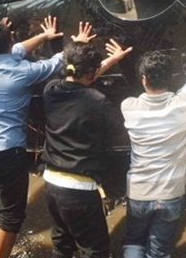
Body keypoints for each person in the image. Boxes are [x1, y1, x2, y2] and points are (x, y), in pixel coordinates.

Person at [121, 0, 186, 258]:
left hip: (139, 191)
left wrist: (116, 59)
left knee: (134, 241)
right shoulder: (183, 106)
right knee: (159, 250)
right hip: (171, 193)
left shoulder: (129, 108)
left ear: (143, 80)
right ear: (171, 77)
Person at [0, 14, 67, 258]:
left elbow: (15, 50)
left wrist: (42, 36)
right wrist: (75, 42)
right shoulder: (23, 72)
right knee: (12, 215)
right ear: (10, 37)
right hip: (8, 150)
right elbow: (57, 63)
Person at [41, 25, 133, 258]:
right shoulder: (98, 101)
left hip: (51, 183)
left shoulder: (51, 90)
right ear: (91, 73)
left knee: (62, 243)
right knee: (94, 250)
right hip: (79, 189)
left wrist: (110, 60)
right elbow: (120, 136)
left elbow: (81, 80)